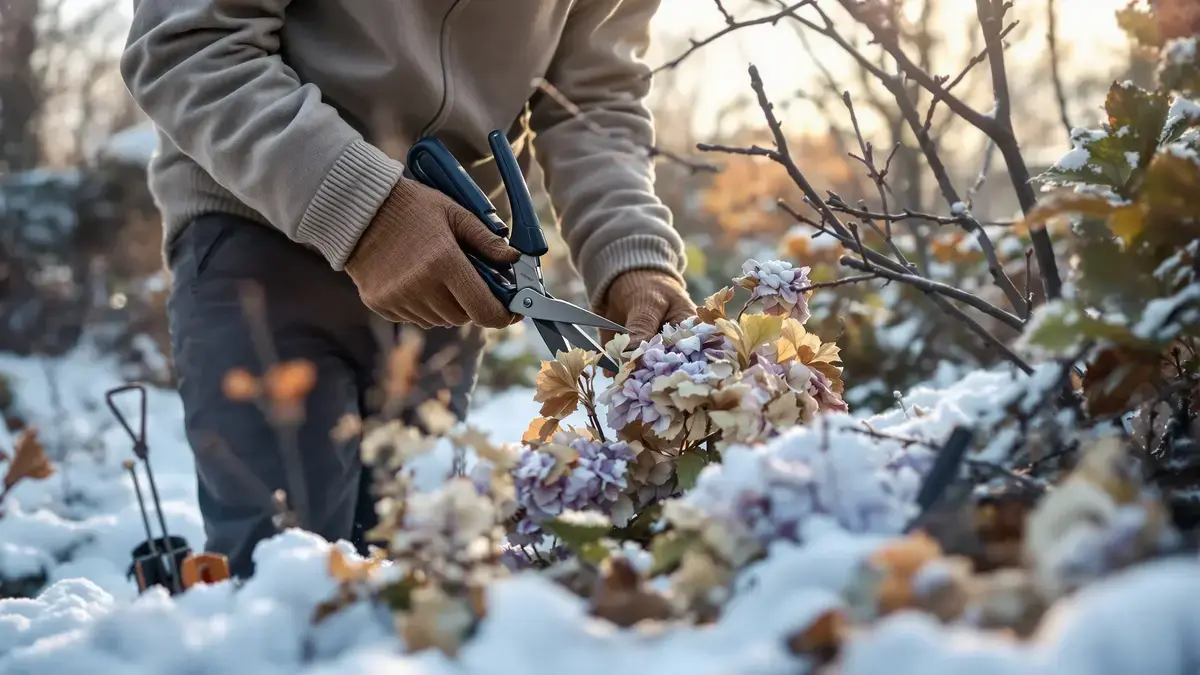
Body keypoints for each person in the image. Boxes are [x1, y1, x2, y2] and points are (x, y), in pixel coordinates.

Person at [119, 0, 696, 577]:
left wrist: (632, 255)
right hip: (260, 233)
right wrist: (366, 211)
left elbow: (592, 102)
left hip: (457, 267)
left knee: (417, 574)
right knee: (281, 573)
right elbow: (186, 44)